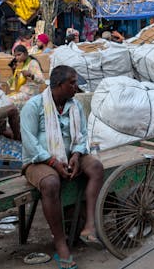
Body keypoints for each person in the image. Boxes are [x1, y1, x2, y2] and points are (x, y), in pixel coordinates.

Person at [21, 66, 104, 268]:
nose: (76, 87)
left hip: (69, 156)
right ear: (59, 85)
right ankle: (60, 243)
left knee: (96, 167)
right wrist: (53, 162)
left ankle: (90, 225)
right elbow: (30, 142)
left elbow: (82, 135)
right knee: (50, 183)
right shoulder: (34, 106)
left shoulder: (74, 106)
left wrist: (75, 154)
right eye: (72, 83)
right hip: (38, 161)